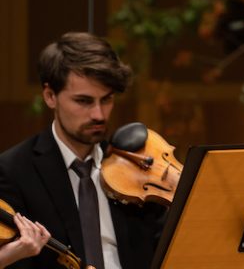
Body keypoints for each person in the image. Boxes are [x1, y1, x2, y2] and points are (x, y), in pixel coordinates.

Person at [0, 32, 165, 269]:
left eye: (106, 100)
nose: (99, 115)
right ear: (50, 96)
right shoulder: (13, 171)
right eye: (83, 101)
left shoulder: (136, 165)